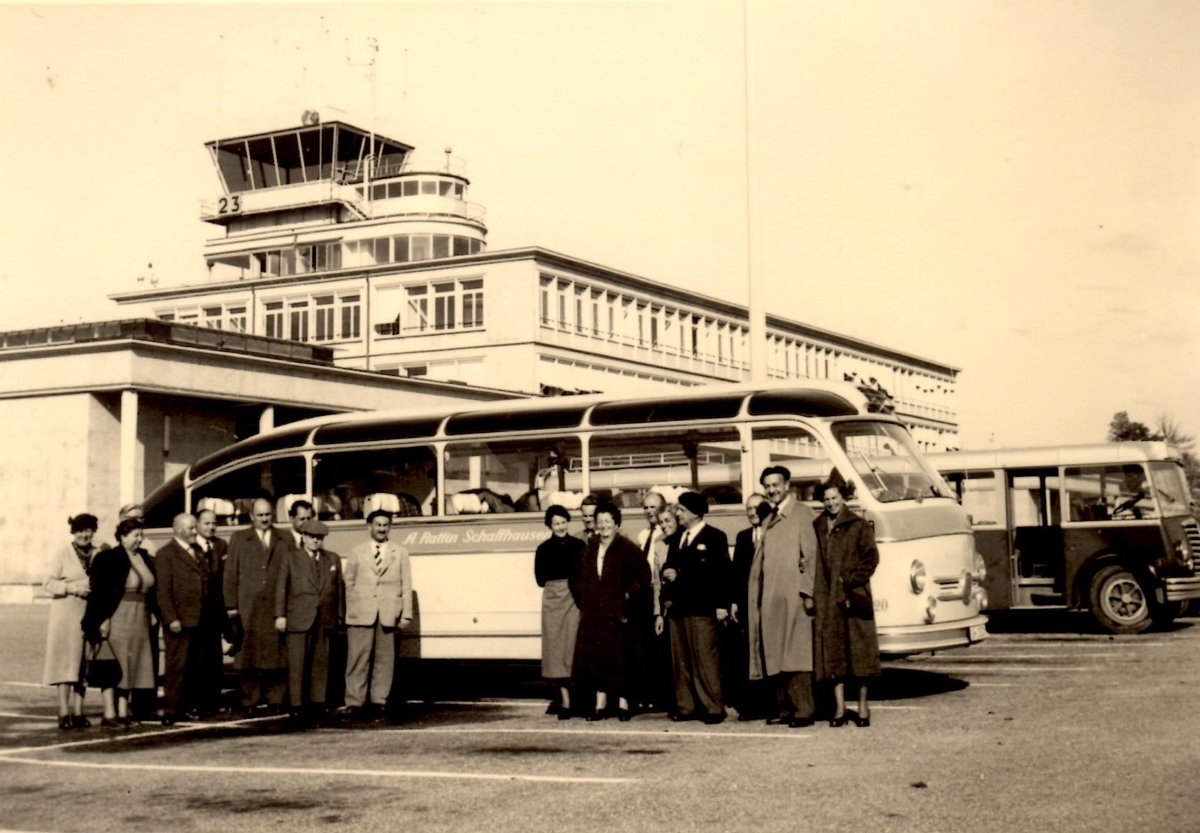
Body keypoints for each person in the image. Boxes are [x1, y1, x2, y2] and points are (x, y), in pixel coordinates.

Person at [747, 465, 818, 728]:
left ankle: (803, 710)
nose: (772, 490)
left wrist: (808, 592)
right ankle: (784, 708)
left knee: (797, 654)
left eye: (776, 484)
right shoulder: (767, 518)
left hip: (793, 597)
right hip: (771, 598)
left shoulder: (802, 514)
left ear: (787, 485)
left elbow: (811, 556)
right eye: (767, 486)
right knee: (774, 654)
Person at [571, 501, 649, 721]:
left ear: (616, 523)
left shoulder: (627, 547)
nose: (604, 525)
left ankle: (624, 704)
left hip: (618, 614)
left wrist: (625, 596)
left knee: (620, 658)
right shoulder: (590, 548)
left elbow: (643, 576)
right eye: (600, 521)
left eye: (608, 521)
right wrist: (583, 600)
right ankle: (600, 703)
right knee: (596, 659)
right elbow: (576, 578)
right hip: (593, 614)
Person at [813, 481, 881, 728]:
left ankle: (863, 706)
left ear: (843, 498)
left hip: (854, 597)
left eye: (834, 498)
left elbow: (871, 558)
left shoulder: (858, 525)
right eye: (826, 499)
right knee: (834, 653)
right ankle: (840, 708)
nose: (830, 503)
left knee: (860, 653)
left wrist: (848, 578)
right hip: (828, 599)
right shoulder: (818, 525)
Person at [660, 491, 731, 723]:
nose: (677, 513)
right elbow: (669, 567)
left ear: (694, 512)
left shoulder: (715, 537)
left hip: (702, 608)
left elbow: (720, 575)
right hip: (678, 609)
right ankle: (686, 706)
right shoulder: (679, 538)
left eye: (681, 509)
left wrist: (722, 605)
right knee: (681, 661)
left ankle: (713, 707)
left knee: (705, 659)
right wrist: (667, 576)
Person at [82, 518, 157, 729]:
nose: (139, 540)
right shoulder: (109, 557)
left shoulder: (142, 557)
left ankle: (124, 711)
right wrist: (102, 619)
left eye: (141, 535)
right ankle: (109, 713)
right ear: (122, 537)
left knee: (132, 665)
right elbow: (100, 592)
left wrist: (152, 612)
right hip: (118, 616)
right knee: (112, 665)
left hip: (139, 617)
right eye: (135, 535)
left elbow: (152, 587)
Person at [342, 509, 412, 722]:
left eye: (385, 525)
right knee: (357, 660)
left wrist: (406, 614)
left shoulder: (400, 553)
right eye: (377, 524)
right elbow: (348, 582)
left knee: (385, 661)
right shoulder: (356, 552)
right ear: (369, 526)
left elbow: (406, 585)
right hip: (361, 614)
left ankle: (379, 702)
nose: (381, 528)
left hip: (388, 614)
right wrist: (354, 605)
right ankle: (354, 703)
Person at [156, 513, 223, 724]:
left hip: (199, 620)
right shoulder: (166, 554)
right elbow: (163, 591)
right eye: (191, 529)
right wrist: (171, 618)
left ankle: (189, 705)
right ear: (178, 530)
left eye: (195, 528)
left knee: (194, 666)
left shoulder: (197, 551)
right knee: (177, 667)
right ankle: (172, 709)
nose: (196, 532)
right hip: (180, 621)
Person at [223, 497, 289, 713]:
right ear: (251, 516)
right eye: (260, 515)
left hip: (275, 606)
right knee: (248, 656)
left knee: (277, 656)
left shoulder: (284, 538)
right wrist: (231, 606)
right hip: (247, 608)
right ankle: (249, 701)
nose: (264, 519)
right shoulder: (240, 538)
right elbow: (230, 574)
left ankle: (275, 700)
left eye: (267, 515)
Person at [275, 519, 344, 722]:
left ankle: (318, 701)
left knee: (320, 663)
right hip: (298, 617)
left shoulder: (332, 559)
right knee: (297, 663)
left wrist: (339, 616)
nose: (316, 541)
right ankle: (297, 704)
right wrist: (280, 615)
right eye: (312, 537)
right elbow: (281, 587)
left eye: (319, 538)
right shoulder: (290, 558)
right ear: (304, 537)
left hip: (324, 619)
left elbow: (338, 590)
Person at [42, 513, 98, 730]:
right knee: (64, 664)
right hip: (65, 616)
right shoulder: (62, 554)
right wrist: (71, 588)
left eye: (89, 530)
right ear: (73, 532)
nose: (85, 534)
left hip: (88, 615)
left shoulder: (98, 554)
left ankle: (78, 711)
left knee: (82, 665)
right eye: (81, 530)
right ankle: (63, 711)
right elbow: (47, 583)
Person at [534, 505, 584, 719]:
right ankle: (565, 701)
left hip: (574, 600)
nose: (561, 527)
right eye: (556, 523)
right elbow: (539, 579)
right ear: (549, 525)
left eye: (564, 522)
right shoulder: (543, 549)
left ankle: (579, 700)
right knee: (556, 651)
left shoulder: (580, 546)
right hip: (553, 602)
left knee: (573, 649)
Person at [727, 493, 767, 720]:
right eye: (749, 508)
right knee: (747, 654)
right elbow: (736, 573)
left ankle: (769, 703)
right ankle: (750, 707)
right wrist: (733, 601)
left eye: (756, 508)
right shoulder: (743, 538)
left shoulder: (772, 534)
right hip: (745, 604)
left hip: (766, 602)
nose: (752, 512)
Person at [648, 504, 680, 713]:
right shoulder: (659, 544)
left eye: (668, 520)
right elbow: (656, 581)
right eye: (661, 522)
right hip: (666, 606)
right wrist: (657, 613)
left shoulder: (682, 541)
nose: (665, 525)